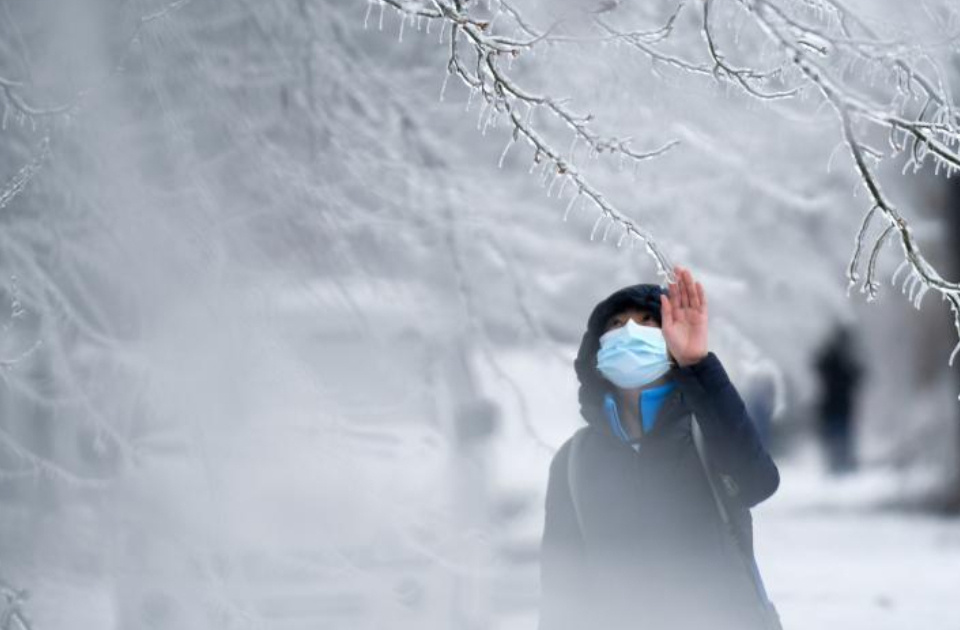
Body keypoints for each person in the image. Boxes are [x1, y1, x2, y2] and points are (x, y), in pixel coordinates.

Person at [538, 267, 781, 630]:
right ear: (596, 349)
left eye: (648, 320)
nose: (630, 330)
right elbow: (562, 586)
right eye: (616, 323)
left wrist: (697, 367)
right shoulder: (574, 461)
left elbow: (758, 481)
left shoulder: (707, 431)